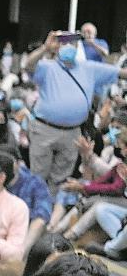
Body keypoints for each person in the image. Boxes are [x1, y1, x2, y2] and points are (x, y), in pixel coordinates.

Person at [23, 30, 127, 195]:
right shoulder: (47, 67)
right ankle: (35, 213)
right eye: (63, 43)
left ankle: (52, 215)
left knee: (61, 179)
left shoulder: (89, 68)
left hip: (72, 132)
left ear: (78, 46)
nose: (68, 46)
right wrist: (45, 48)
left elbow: (120, 73)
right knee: (38, 177)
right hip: (44, 129)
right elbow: (27, 66)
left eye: (72, 43)